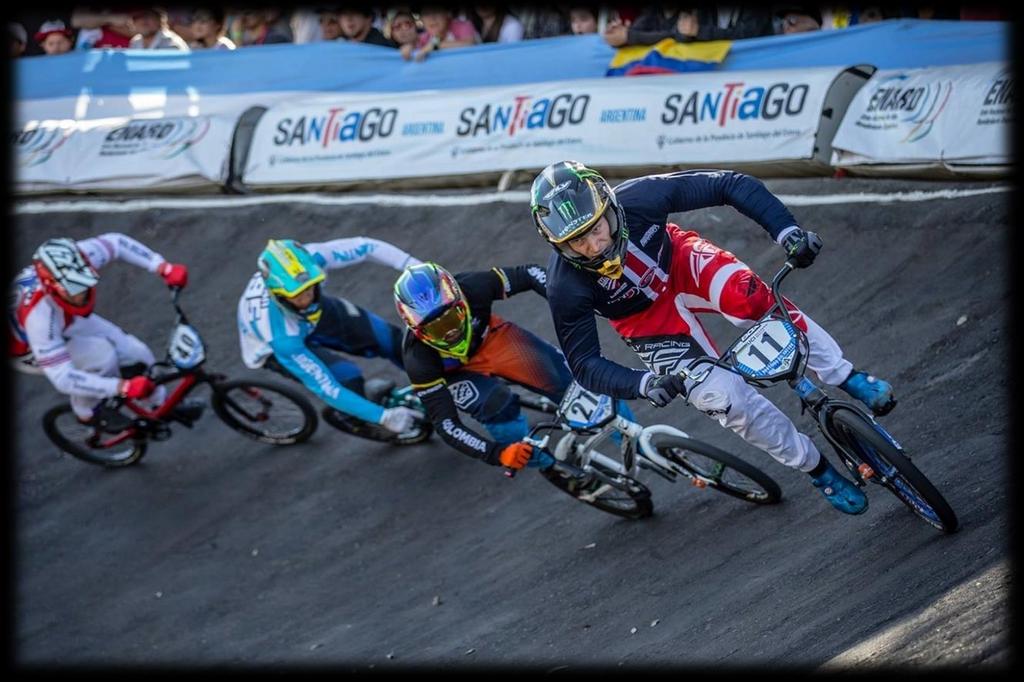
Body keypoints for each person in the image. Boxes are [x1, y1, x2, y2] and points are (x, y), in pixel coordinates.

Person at [529, 161, 898, 515]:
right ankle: (818, 471)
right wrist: (644, 383)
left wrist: (787, 231)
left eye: (596, 228)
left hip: (681, 265)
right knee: (725, 399)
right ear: (558, 244)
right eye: (577, 242)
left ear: (609, 207)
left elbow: (728, 184)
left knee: (749, 297)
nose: (594, 247)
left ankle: (844, 375)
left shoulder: (640, 197)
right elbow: (584, 364)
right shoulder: (565, 285)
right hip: (646, 321)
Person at [394, 262, 634, 471]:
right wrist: (498, 453)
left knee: (574, 383)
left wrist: (566, 300)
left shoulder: (473, 286)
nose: (450, 332)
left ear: (461, 300)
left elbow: (528, 273)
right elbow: (447, 424)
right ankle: (551, 466)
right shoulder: (417, 360)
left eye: (450, 318)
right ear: (418, 332)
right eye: (436, 329)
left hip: (490, 340)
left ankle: (633, 437)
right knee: (495, 406)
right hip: (455, 374)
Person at [236, 238, 423, 439]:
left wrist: (412, 266)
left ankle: (430, 379)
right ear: (277, 295)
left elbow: (367, 247)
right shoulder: (282, 338)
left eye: (310, 288)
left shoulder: (308, 262)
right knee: (347, 378)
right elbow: (328, 389)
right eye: (297, 296)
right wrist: (383, 417)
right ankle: (356, 419)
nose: (306, 300)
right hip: (278, 342)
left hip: (311, 318)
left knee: (390, 339)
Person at [9, 235, 194, 433]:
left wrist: (162, 267)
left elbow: (117, 243)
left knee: (137, 352)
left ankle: (160, 404)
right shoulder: (40, 319)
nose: (81, 295)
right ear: (52, 288)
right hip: (27, 347)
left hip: (65, 318)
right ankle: (87, 412)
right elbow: (63, 378)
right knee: (102, 357)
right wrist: (122, 387)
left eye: (84, 284)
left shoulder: (79, 257)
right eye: (73, 290)